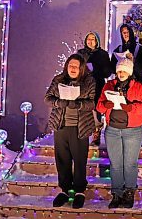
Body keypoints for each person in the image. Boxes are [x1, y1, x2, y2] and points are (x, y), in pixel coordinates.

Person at [96, 57, 142, 209]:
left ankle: (129, 193)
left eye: (124, 71)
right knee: (115, 164)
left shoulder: (138, 87)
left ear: (129, 72)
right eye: (119, 70)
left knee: (130, 164)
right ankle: (117, 194)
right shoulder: (109, 85)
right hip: (112, 130)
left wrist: (131, 108)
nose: (121, 73)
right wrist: (105, 105)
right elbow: (99, 107)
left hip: (132, 131)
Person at [44, 53, 96, 209]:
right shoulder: (59, 80)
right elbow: (48, 98)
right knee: (62, 160)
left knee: (80, 160)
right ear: (67, 66)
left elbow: (91, 103)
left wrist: (77, 104)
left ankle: (79, 191)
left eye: (76, 66)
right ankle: (65, 190)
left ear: (81, 68)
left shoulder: (89, 81)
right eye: (70, 65)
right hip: (61, 126)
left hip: (80, 127)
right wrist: (60, 102)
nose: (73, 68)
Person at [78, 31, 113, 146]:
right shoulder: (80, 53)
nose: (90, 41)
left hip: (97, 84)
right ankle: (82, 134)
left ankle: (96, 134)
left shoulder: (103, 54)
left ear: (97, 41)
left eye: (93, 39)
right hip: (83, 85)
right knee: (82, 108)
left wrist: (96, 69)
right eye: (88, 38)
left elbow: (107, 72)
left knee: (95, 109)